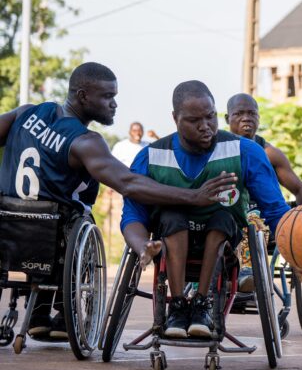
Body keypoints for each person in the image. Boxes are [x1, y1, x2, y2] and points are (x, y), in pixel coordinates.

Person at [0, 62, 236, 340]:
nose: (114, 105)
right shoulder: (85, 141)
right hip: (53, 231)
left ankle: (39, 310)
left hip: (9, 222)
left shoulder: (25, 113)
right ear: (83, 96)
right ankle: (64, 314)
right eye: (108, 96)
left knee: (53, 217)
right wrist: (193, 196)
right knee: (77, 217)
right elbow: (128, 183)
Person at [120, 81, 302, 339]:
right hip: (171, 239)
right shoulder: (151, 156)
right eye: (194, 120)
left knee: (221, 216)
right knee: (173, 216)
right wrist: (142, 246)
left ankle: (201, 303)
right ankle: (177, 306)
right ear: (175, 119)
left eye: (210, 117)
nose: (205, 126)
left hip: (223, 242)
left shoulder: (246, 151)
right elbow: (133, 215)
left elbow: (275, 212)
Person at [225, 93, 302, 291]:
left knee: (253, 221)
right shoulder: (218, 148)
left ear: (258, 118)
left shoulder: (269, 153)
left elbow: (300, 189)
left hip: (261, 218)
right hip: (226, 214)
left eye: (251, 113)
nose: (246, 118)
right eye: (239, 113)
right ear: (227, 119)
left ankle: (248, 272)